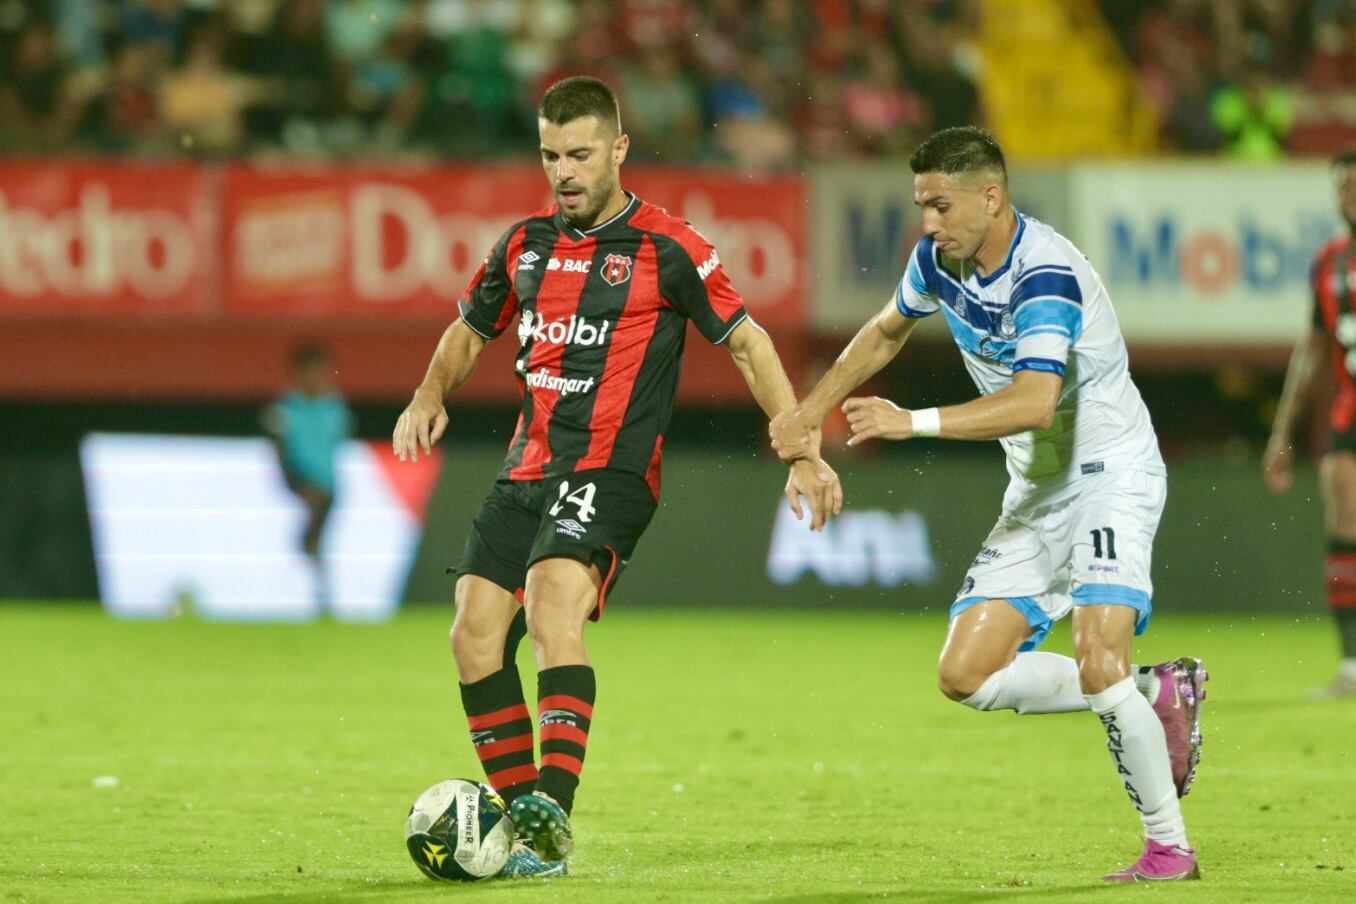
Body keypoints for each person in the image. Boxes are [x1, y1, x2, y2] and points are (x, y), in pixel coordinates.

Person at [391, 76, 840, 879]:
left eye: (580, 154)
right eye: (550, 155)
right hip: (526, 468)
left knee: (552, 598)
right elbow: (469, 328)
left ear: (619, 150)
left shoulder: (670, 247)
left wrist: (800, 449)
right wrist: (428, 394)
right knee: (471, 634)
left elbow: (748, 342)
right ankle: (521, 835)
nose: (563, 171)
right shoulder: (523, 245)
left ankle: (549, 822)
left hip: (613, 468)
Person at [770, 126, 1207, 883]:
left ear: (991, 197)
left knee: (1096, 657)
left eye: (940, 206)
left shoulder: (1045, 275)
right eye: (921, 206)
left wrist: (913, 422)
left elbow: (1037, 402)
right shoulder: (938, 263)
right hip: (1037, 490)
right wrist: (811, 411)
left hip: (1109, 472)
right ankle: (1155, 690)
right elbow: (885, 331)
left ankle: (1169, 848)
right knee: (965, 675)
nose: (928, 223)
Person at [1263, 149, 1356, 699]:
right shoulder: (1329, 264)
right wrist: (1283, 433)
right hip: (1351, 407)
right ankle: (1352, 665)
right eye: (1342, 186)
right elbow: (1314, 349)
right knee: (1344, 514)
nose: (1348, 195)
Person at [263, 343, 353, 607]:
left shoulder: (334, 407)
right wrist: (296, 484)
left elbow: (339, 443)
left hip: (328, 485)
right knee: (314, 532)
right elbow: (277, 451)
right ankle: (313, 579)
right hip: (298, 483)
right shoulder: (284, 409)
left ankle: (317, 581)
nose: (315, 378)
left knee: (318, 536)